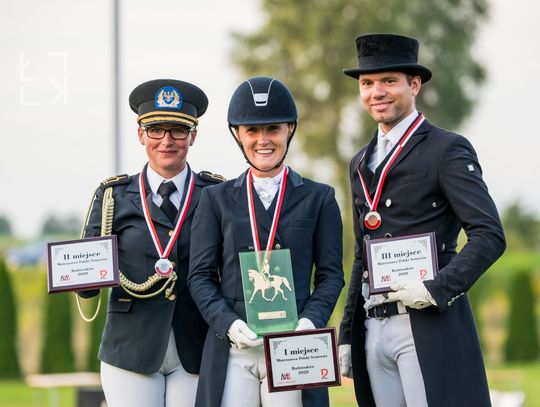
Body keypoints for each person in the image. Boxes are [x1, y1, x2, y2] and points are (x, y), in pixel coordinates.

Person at [338, 34, 505, 407]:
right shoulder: (360, 161)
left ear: (414, 85)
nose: (376, 92)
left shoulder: (446, 148)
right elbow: (361, 254)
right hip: (373, 325)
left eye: (388, 81)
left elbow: (489, 235)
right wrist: (348, 333)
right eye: (367, 84)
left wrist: (437, 288)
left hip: (426, 322)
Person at [188, 76, 344, 407]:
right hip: (235, 345)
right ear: (238, 135)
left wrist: (310, 322)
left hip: (294, 346)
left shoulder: (320, 198)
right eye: (252, 131)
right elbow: (200, 277)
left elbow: (331, 276)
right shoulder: (215, 199)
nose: (263, 140)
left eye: (273, 129)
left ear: (290, 130)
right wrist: (227, 323)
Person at [78, 79, 224, 407]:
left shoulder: (216, 195)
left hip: (197, 344)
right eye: (156, 130)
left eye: (178, 130)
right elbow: (86, 278)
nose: (167, 141)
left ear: (193, 135)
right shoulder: (113, 195)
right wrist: (77, 277)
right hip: (130, 346)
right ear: (141, 134)